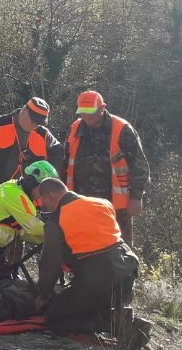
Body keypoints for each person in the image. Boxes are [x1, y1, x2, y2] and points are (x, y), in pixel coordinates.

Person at [33, 178, 146, 347]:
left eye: (43, 201)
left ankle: (115, 324)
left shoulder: (56, 222)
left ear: (49, 196)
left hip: (100, 276)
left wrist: (43, 295)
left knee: (55, 317)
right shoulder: (102, 203)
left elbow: (50, 264)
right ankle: (116, 314)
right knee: (89, 301)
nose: (44, 206)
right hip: (128, 272)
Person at [58, 91, 151, 246]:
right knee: (84, 245)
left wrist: (136, 197)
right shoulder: (75, 128)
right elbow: (65, 162)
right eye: (83, 113)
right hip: (81, 201)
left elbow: (139, 165)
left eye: (91, 113)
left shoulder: (122, 129)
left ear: (102, 108)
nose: (87, 118)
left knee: (121, 248)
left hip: (116, 205)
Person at [0, 159, 55, 273]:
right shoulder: (17, 196)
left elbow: (23, 232)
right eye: (43, 191)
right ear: (34, 183)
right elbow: (34, 228)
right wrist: (56, 234)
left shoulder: (12, 186)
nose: (43, 196)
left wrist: (42, 239)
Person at [0, 97, 59, 191]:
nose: (36, 126)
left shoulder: (43, 134)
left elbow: (59, 151)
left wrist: (47, 174)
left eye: (39, 123)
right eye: (34, 122)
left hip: (24, 199)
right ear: (24, 112)